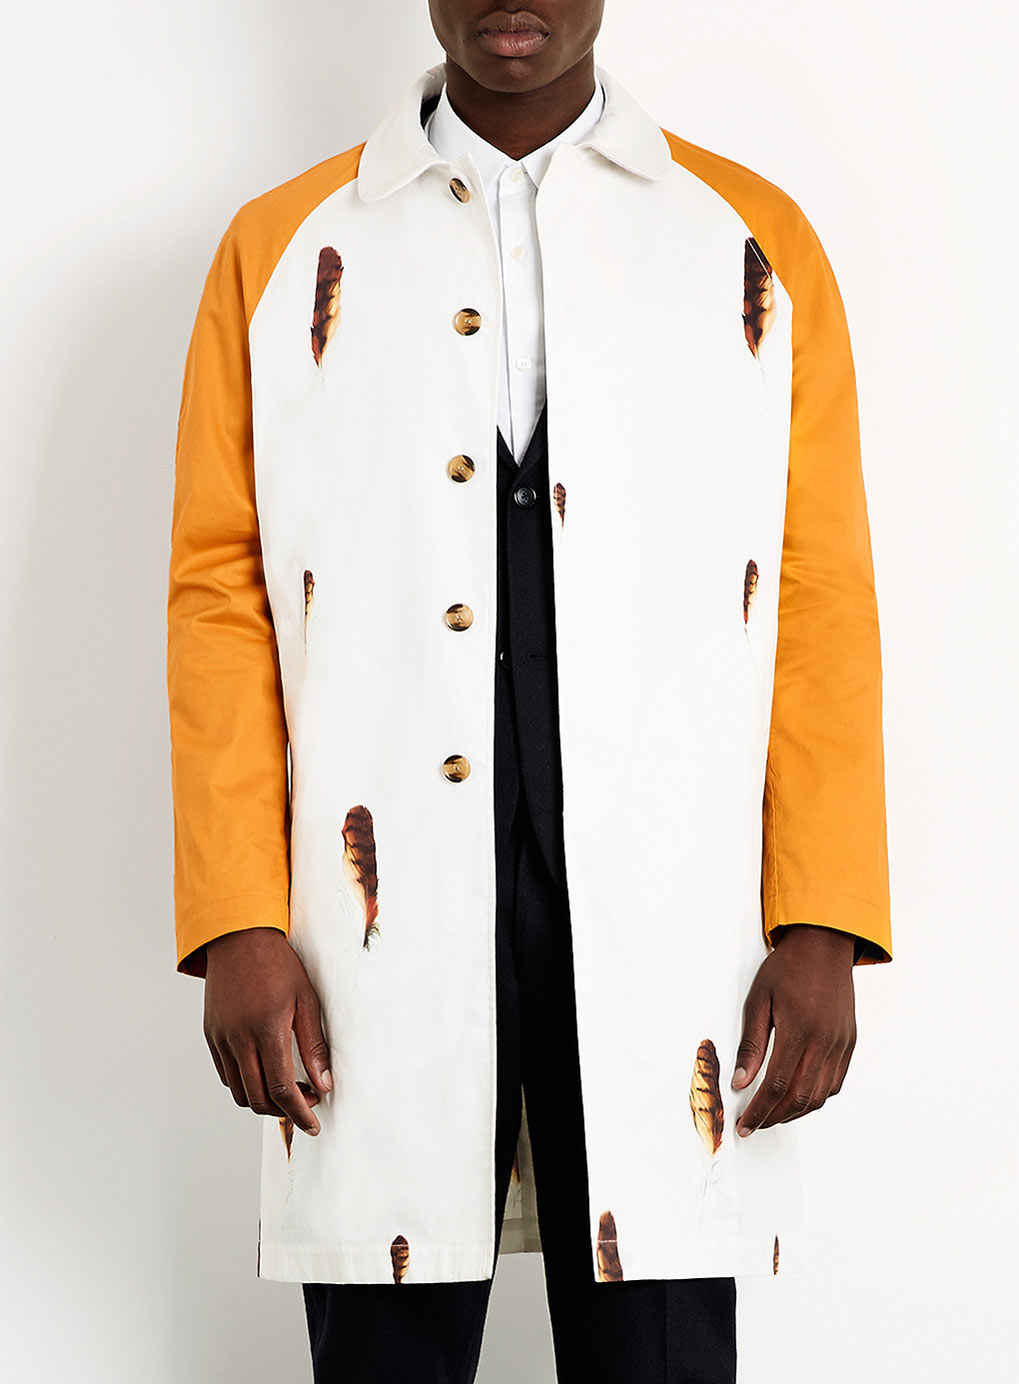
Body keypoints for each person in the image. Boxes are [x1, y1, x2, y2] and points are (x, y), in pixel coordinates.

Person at [166, 3, 893, 1380]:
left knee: (658, 1340)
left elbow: (818, 593)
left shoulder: (754, 244)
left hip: (667, 916)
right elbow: (220, 596)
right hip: (373, 914)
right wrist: (238, 918)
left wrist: (825, 918)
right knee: (385, 1342)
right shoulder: (282, 250)